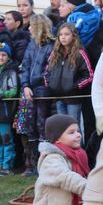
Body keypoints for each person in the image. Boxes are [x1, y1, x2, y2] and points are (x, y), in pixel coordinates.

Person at [21, 14, 55, 175]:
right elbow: (25, 66)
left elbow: (49, 71)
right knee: (30, 126)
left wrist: (35, 83)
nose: (28, 28)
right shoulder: (31, 45)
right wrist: (25, 86)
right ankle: (32, 165)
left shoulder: (52, 46)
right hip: (29, 91)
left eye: (31, 26)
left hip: (43, 90)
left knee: (42, 125)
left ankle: (43, 165)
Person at [46, 23, 93, 123]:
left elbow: (88, 75)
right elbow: (47, 71)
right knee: (62, 126)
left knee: (73, 125)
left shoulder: (80, 53)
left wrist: (74, 86)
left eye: (66, 34)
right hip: (58, 97)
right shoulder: (55, 53)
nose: (63, 37)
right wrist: (50, 84)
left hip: (73, 98)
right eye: (61, 34)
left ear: (73, 36)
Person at [0, 42, 18, 174]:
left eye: (3, 55)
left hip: (5, 111)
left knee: (6, 139)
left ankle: (7, 166)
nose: (1, 57)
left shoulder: (11, 71)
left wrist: (1, 94)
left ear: (8, 57)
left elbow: (13, 91)